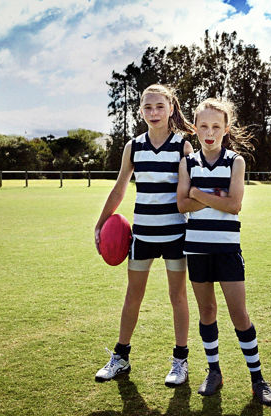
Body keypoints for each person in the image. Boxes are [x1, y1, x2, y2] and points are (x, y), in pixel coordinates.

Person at [177, 98, 271, 407]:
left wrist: (196, 193)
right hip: (196, 250)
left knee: (239, 314)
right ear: (195, 128)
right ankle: (214, 371)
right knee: (207, 312)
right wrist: (210, 195)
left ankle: (258, 379)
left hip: (227, 250)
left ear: (226, 129)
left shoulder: (235, 161)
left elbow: (234, 205)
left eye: (216, 126)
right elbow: (182, 205)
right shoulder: (187, 163)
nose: (209, 132)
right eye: (204, 126)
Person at [94, 84, 194, 387]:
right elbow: (120, 188)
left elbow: (190, 193)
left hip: (176, 234)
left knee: (177, 296)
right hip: (143, 236)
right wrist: (100, 224)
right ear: (140, 110)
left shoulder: (183, 146)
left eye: (159, 106)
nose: (153, 112)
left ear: (171, 109)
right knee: (132, 296)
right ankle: (121, 357)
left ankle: (180, 361)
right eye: (147, 107)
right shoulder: (133, 146)